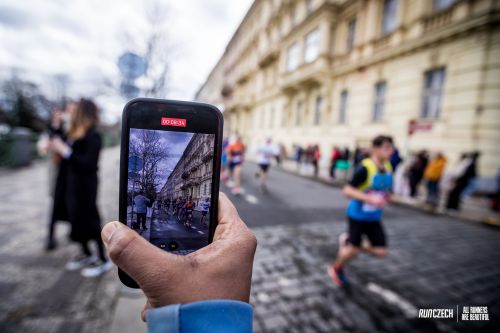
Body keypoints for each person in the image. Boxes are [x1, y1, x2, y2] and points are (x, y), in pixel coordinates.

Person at [101, 193, 256, 333]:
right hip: (227, 320)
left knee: (152, 220)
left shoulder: (145, 199)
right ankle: (170, 222)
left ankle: (178, 222)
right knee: (159, 219)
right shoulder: (179, 202)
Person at [49, 98, 112, 277]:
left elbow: (89, 163)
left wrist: (66, 151)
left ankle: (102, 259)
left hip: (85, 185)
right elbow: (56, 139)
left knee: (90, 218)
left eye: (74, 109)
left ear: (82, 112)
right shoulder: (74, 133)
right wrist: (56, 123)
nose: (71, 112)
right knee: (75, 218)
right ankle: (86, 253)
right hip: (71, 184)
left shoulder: (93, 134)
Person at [328, 135, 394, 287]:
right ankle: (335, 268)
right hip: (357, 215)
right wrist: (370, 199)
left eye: (391, 148)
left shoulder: (388, 167)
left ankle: (349, 242)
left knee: (381, 251)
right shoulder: (365, 167)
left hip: (374, 217)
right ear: (375, 149)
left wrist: (388, 196)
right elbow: (347, 190)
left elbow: (383, 189)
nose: (390, 151)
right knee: (353, 251)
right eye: (386, 148)